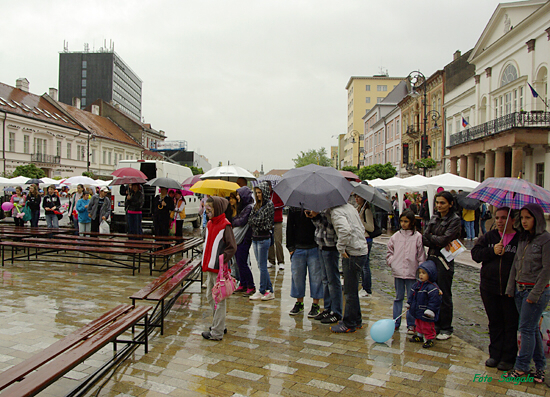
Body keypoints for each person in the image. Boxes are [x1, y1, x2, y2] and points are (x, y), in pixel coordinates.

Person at [504, 203, 550, 383]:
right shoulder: (523, 238)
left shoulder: (545, 239)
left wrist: (535, 294)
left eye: (528, 218)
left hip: (534, 292)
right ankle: (540, 368)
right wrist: (511, 288)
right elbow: (516, 264)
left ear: (536, 219)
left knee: (526, 329)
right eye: (522, 217)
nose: (524, 221)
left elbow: (546, 270)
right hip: (519, 290)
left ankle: (522, 367)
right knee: (532, 330)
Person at [471, 207, 519, 371]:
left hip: (510, 289)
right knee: (495, 322)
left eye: (504, 218)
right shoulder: (489, 237)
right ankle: (495, 354)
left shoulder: (519, 239)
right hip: (489, 287)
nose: (500, 221)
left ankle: (508, 357)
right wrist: (492, 251)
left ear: (512, 220)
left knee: (510, 323)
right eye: (497, 218)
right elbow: (476, 255)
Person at [423, 190, 461, 340]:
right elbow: (425, 237)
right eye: (437, 202)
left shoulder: (454, 219)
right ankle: (435, 323)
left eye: (442, 203)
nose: (439, 205)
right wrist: (435, 239)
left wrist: (433, 238)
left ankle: (446, 327)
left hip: (445, 261)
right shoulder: (435, 217)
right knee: (432, 291)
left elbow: (445, 239)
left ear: (450, 204)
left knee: (444, 293)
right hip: (432, 257)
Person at [327, 202, 369, 333]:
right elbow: (361, 228)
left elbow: (345, 230)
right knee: (353, 289)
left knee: (350, 291)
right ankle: (356, 320)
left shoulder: (336, 212)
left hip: (352, 253)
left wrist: (341, 247)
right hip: (360, 249)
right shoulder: (350, 207)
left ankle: (349, 323)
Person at [201, 196, 237, 341]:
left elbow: (232, 247)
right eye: (206, 208)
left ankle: (217, 332)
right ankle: (219, 324)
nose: (207, 211)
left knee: (218, 299)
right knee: (210, 297)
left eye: (210, 209)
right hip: (209, 267)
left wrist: (222, 259)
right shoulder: (210, 224)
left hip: (218, 268)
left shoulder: (225, 225)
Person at [386, 210, 426, 333]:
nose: (403, 224)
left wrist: (420, 270)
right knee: (398, 297)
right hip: (398, 271)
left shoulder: (417, 237)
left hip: (412, 271)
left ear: (411, 222)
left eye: (406, 221)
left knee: (411, 298)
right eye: (402, 221)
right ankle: (396, 320)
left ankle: (411, 323)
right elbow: (389, 251)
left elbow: (421, 255)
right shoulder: (395, 236)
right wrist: (392, 262)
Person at [307, 210, 342, 324]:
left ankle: (336, 311)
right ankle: (328, 308)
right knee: (325, 280)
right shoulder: (322, 208)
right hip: (321, 244)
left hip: (331, 245)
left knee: (333, 280)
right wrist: (314, 217)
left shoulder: (333, 210)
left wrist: (319, 216)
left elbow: (331, 226)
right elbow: (319, 226)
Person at [286, 207, 322, 317]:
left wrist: (315, 215)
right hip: (298, 247)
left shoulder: (317, 205)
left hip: (314, 246)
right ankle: (299, 302)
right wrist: (290, 247)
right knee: (297, 277)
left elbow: (322, 225)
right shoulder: (294, 208)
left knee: (316, 277)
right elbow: (289, 227)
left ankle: (316, 304)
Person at [248, 182, 275, 301]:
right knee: (260, 265)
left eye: (260, 192)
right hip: (255, 238)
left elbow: (261, 221)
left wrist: (255, 221)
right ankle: (270, 290)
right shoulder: (256, 205)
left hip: (264, 239)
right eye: (256, 192)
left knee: (263, 266)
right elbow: (250, 220)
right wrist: (255, 221)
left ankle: (262, 290)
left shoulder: (269, 204)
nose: (258, 195)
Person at [407, 260, 442, 348]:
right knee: (418, 323)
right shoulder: (417, 285)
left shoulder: (432, 288)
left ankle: (429, 338)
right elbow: (412, 295)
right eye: (420, 273)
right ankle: (419, 335)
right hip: (417, 310)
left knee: (427, 326)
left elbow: (434, 301)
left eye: (424, 273)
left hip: (426, 311)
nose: (421, 275)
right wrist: (409, 303)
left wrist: (431, 310)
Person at [231, 186, 256, 295]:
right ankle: (243, 283)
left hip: (245, 238)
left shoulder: (249, 207)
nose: (237, 197)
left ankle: (251, 285)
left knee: (242, 262)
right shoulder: (244, 207)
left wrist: (233, 220)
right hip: (241, 238)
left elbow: (241, 221)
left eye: (238, 195)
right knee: (239, 262)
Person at [355, 195, 382, 298]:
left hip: (367, 239)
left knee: (365, 265)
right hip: (361, 239)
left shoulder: (367, 211)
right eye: (355, 197)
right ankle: (364, 286)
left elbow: (370, 228)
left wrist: (360, 221)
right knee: (362, 265)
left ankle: (367, 288)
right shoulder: (358, 209)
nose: (356, 199)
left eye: (359, 197)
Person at [268, 181, 285, 270]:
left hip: (277, 221)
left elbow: (282, 204)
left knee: (278, 241)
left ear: (271, 186)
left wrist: (273, 206)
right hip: (269, 222)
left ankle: (281, 261)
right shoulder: (266, 195)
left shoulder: (277, 194)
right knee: (269, 242)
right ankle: (271, 260)